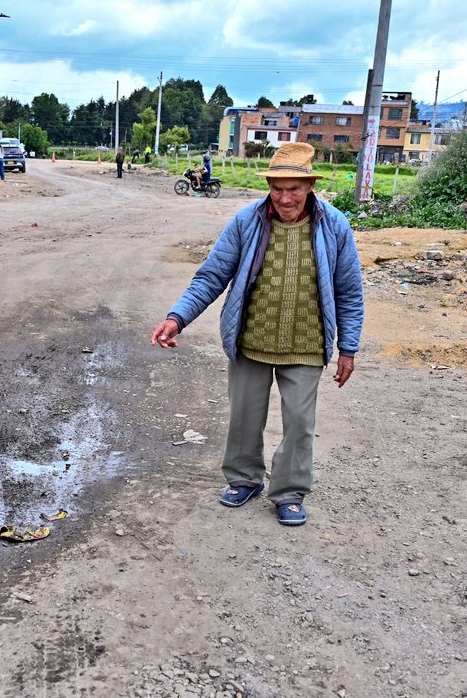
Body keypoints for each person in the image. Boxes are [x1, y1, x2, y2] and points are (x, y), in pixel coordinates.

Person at [150, 142, 364, 527]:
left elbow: (349, 291)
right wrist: (177, 318)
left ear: (311, 186)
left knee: (300, 424)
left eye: (294, 189)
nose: (285, 198)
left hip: (306, 343)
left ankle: (289, 492)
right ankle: (244, 478)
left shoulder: (334, 225)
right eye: (277, 189)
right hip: (250, 340)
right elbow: (211, 276)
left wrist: (347, 348)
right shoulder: (247, 221)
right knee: (244, 418)